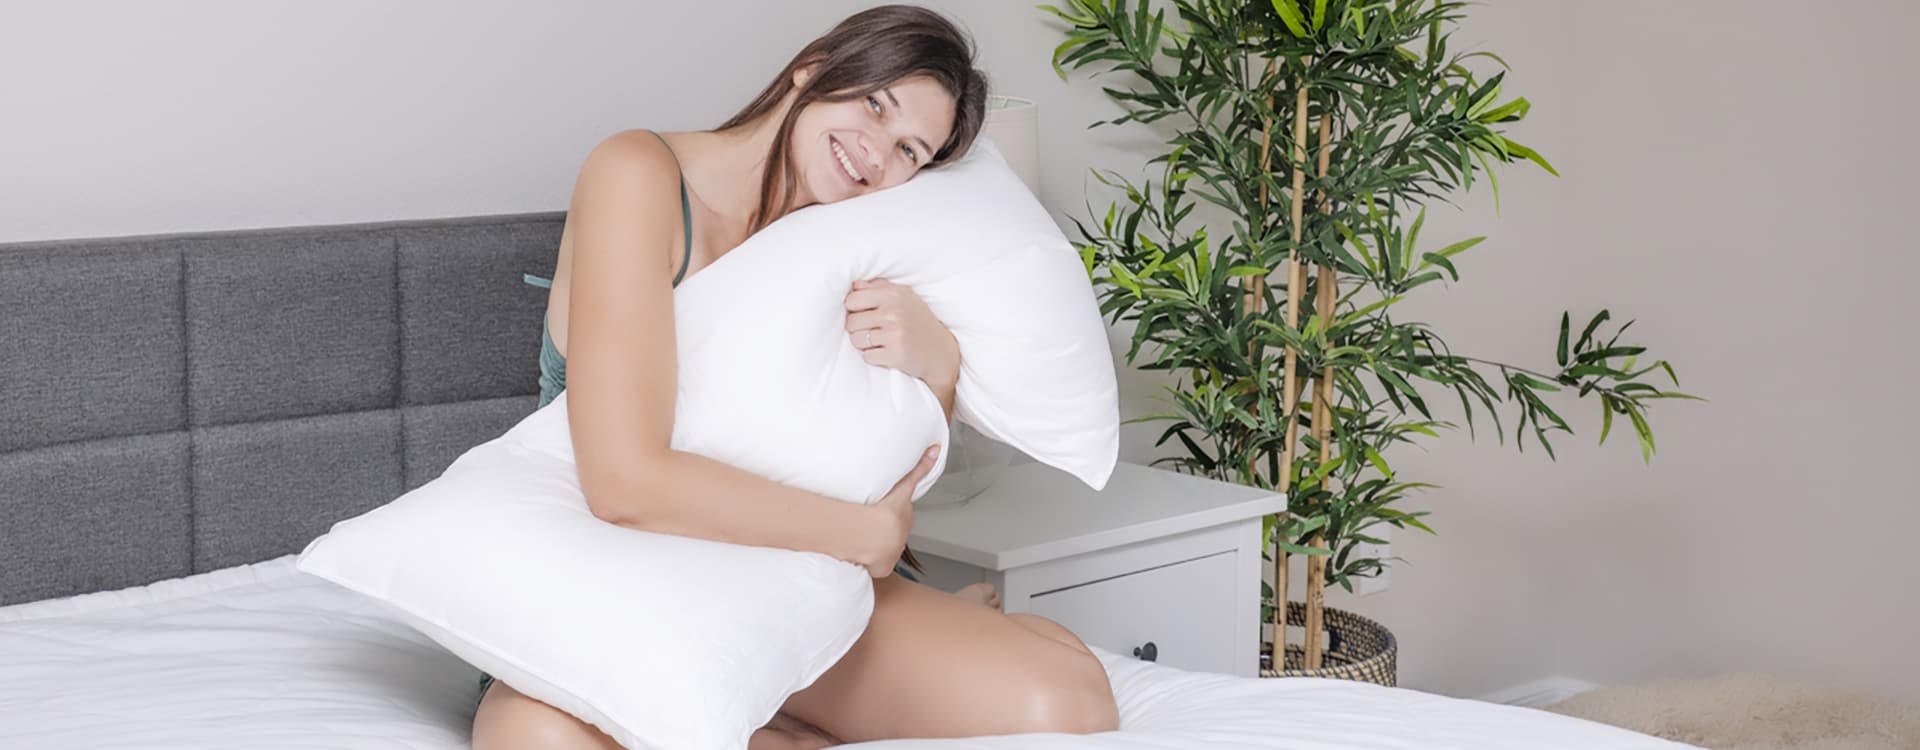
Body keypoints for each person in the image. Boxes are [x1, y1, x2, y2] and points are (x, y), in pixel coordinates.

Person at [469, 6, 1120, 749]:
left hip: (791, 583)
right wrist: (867, 535)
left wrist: (937, 366)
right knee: (532, 737)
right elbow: (624, 483)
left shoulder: (850, 241)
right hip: (621, 584)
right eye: (876, 104)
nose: (877, 153)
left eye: (910, 150)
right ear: (813, 68)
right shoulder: (637, 174)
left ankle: (783, 709)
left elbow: (883, 465)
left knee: (1068, 702)